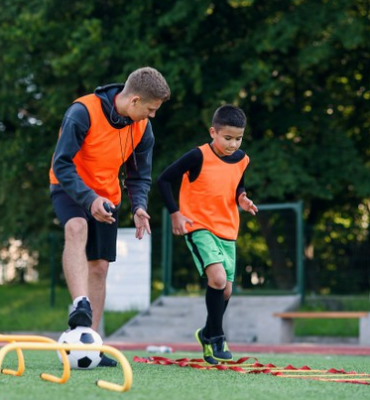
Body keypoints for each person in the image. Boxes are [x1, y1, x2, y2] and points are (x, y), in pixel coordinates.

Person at [49, 67, 170, 367]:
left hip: (107, 196)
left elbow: (139, 175)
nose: (152, 115)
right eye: (151, 109)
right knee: (76, 227)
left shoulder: (142, 128)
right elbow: (62, 164)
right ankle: (80, 305)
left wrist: (139, 206)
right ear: (135, 101)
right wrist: (88, 200)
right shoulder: (82, 111)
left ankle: (90, 343)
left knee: (100, 268)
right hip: (69, 185)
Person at [157, 104, 258, 365]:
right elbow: (164, 179)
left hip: (228, 230)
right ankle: (218, 337)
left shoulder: (242, 159)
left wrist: (242, 199)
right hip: (198, 226)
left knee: (225, 291)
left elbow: (238, 186)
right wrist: (175, 213)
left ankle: (206, 333)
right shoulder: (197, 156)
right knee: (217, 278)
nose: (233, 144)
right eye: (228, 138)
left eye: (239, 138)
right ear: (213, 132)